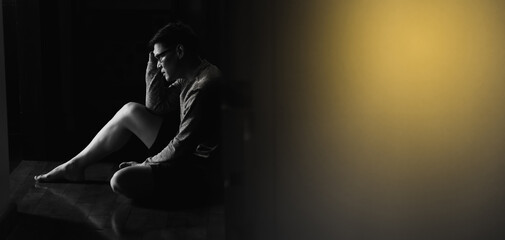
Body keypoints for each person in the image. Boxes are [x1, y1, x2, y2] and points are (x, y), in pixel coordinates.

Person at [34, 22, 222, 203]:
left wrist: (145, 164)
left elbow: (182, 146)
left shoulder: (202, 87)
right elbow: (156, 106)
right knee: (130, 110)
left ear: (180, 51)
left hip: (195, 167)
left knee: (119, 180)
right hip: (185, 149)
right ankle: (74, 165)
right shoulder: (190, 76)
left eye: (160, 58)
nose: (158, 65)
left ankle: (183, 195)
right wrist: (154, 60)